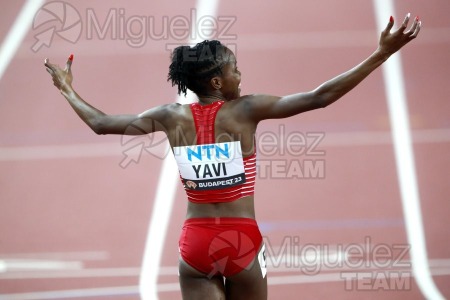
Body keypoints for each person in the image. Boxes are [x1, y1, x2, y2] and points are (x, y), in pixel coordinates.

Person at [45, 14, 421, 300]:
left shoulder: (169, 116)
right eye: (234, 68)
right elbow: (319, 97)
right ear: (216, 82)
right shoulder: (246, 110)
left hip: (194, 246)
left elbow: (101, 123)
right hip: (240, 242)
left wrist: (67, 89)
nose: (240, 74)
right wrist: (381, 54)